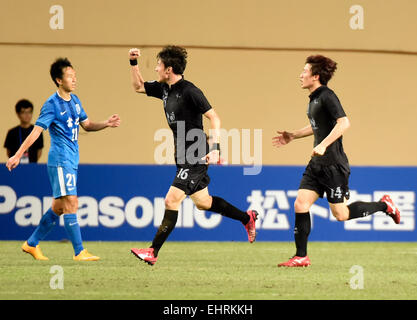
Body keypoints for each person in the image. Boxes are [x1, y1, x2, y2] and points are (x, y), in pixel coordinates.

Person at [128, 46, 258, 266]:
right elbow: (138, 86)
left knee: (171, 199)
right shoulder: (164, 88)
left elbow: (214, 118)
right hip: (182, 154)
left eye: (159, 65)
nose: (157, 68)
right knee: (204, 202)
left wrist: (215, 147)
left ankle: (152, 252)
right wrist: (133, 63)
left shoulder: (190, 91)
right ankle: (247, 218)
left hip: (196, 153)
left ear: (169, 69)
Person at [272, 55, 401, 267]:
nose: (300, 75)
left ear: (315, 76)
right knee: (300, 204)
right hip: (316, 165)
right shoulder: (314, 99)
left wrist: (323, 145)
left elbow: (344, 123)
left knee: (341, 215)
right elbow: (318, 127)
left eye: (304, 71)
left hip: (333, 165)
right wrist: (293, 135)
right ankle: (301, 256)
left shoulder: (327, 95)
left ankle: (384, 205)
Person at [6, 57, 121, 261]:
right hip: (60, 160)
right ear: (59, 80)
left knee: (59, 207)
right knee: (71, 202)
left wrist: (106, 123)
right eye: (70, 76)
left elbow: (87, 125)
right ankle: (79, 251)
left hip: (72, 160)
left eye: (75, 75)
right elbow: (36, 132)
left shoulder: (75, 101)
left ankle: (31, 244)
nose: (74, 79)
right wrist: (16, 154)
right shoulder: (51, 104)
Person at [4, 99, 44, 163]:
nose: (27, 115)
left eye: (29, 112)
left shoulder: (37, 131)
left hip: (32, 166)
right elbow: (8, 152)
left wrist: (33, 162)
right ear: (18, 114)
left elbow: (39, 151)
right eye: (24, 112)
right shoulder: (12, 132)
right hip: (15, 166)